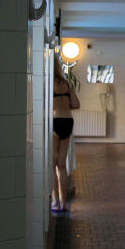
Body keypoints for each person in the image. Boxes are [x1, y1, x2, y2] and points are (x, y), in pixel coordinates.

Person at [52, 56, 80, 213]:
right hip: (68, 122)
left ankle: (55, 202)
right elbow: (76, 104)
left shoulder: (49, 83)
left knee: (52, 165)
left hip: (55, 122)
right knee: (61, 165)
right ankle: (63, 203)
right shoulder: (67, 84)